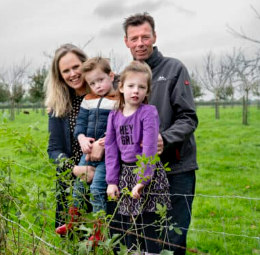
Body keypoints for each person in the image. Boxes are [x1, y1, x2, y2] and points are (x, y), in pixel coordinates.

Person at [121, 13, 199, 254]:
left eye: (145, 36)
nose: (140, 43)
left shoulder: (174, 69)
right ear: (126, 42)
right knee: (148, 237)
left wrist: (164, 139)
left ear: (154, 37)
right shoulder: (126, 76)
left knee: (173, 236)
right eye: (134, 38)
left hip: (175, 167)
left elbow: (188, 117)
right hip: (141, 171)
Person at [105, 61, 171, 254]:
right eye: (131, 86)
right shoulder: (114, 115)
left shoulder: (148, 112)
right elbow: (110, 148)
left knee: (148, 224)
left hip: (147, 172)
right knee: (129, 224)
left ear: (147, 90)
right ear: (121, 87)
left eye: (141, 87)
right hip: (125, 173)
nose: (136, 91)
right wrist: (112, 181)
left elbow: (150, 147)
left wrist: (142, 180)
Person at [55, 57, 118, 242]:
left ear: (111, 76)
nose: (97, 86)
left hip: (108, 156)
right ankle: (73, 222)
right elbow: (80, 124)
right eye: (92, 83)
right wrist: (81, 138)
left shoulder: (118, 100)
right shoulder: (88, 100)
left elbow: (121, 126)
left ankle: (99, 232)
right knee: (78, 188)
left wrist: (105, 141)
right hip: (87, 152)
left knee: (98, 190)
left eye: (100, 80)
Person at [45, 44, 96, 232]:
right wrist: (76, 169)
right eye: (66, 71)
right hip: (72, 182)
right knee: (74, 240)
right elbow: (54, 150)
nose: (72, 73)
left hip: (105, 179)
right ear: (59, 76)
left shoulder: (106, 95)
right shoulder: (59, 106)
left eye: (76, 67)